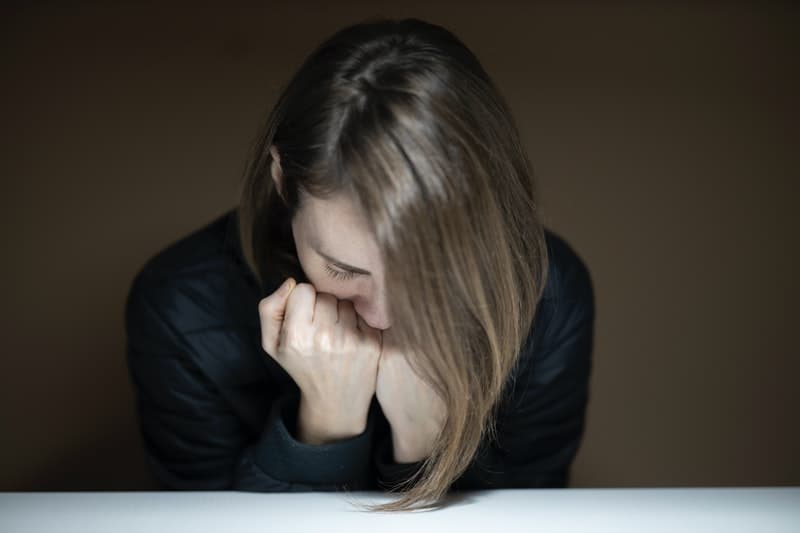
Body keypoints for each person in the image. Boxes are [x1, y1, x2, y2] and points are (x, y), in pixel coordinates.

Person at [124, 17, 595, 513]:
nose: (383, 317)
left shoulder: (547, 292)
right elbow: (204, 522)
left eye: (425, 275)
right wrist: (325, 426)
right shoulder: (179, 308)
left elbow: (532, 514)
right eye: (345, 270)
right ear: (283, 180)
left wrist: (426, 442)